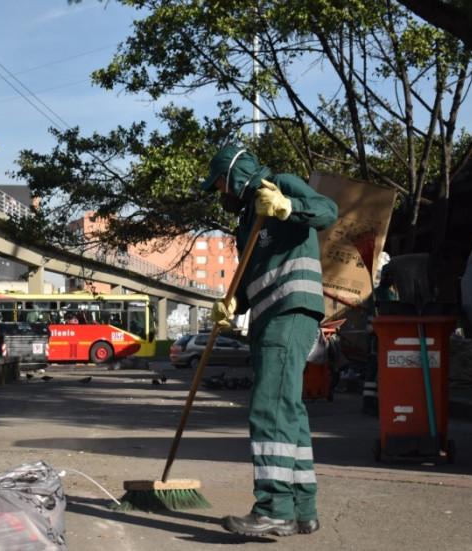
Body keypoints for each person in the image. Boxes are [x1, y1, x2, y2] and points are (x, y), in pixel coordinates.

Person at [202, 144, 338, 538]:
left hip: (291, 311)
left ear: (235, 176)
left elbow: (328, 211)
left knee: (268, 409)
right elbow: (251, 276)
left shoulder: (279, 185)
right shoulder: (248, 221)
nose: (220, 194)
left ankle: (273, 509)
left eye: (220, 185)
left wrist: (288, 207)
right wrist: (232, 304)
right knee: (287, 411)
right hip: (270, 318)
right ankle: (301, 508)